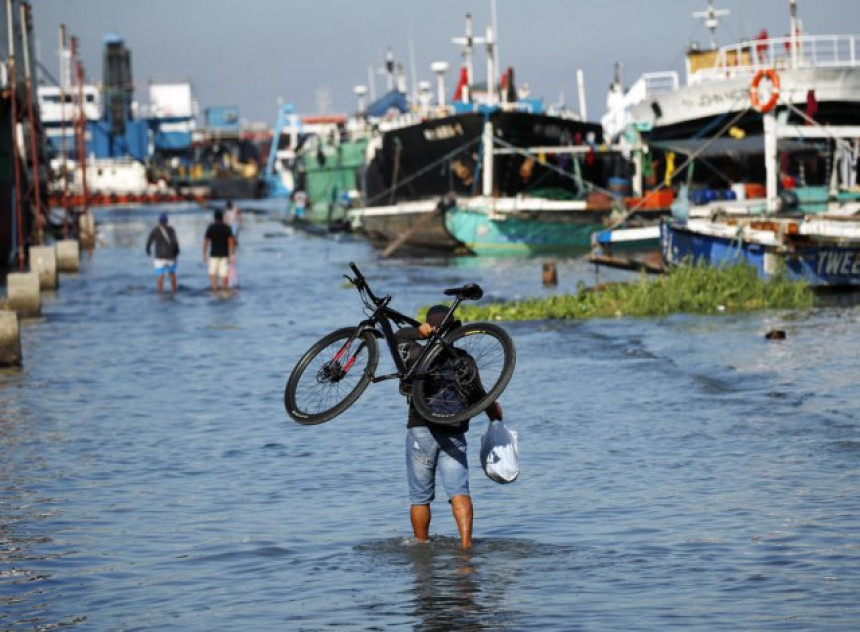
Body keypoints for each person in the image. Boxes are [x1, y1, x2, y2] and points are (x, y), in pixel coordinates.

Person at [395, 304, 503, 549]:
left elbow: (398, 337)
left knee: (420, 497)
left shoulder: (414, 355)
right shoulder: (464, 360)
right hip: (454, 430)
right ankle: (466, 547)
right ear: (455, 330)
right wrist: (494, 413)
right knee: (459, 491)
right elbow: (480, 396)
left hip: (420, 428)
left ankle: (421, 546)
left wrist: (417, 333)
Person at [145, 212, 180, 293]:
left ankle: (160, 293)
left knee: (160, 276)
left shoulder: (155, 230)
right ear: (167, 221)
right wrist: (177, 252)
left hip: (159, 257)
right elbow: (175, 242)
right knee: (172, 274)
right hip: (170, 256)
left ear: (159, 221)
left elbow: (149, 242)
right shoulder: (171, 229)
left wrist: (148, 251)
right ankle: (174, 291)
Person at [202, 209, 236, 291]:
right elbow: (231, 241)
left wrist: (204, 254)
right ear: (222, 217)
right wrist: (232, 254)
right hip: (224, 255)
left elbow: (206, 241)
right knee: (224, 275)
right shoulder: (227, 228)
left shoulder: (211, 227)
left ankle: (214, 293)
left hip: (213, 255)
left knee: (213, 276)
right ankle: (224, 292)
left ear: (214, 218)